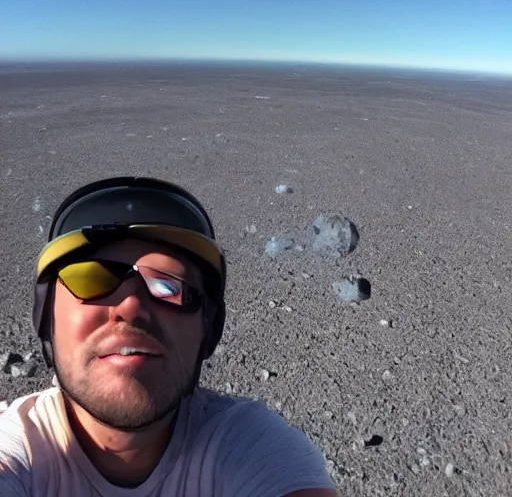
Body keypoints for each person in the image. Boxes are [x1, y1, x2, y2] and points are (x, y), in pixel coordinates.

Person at [0, 177, 337, 496]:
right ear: (47, 320)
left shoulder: (251, 445)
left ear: (208, 331)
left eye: (168, 287)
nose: (130, 306)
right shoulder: (14, 447)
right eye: (90, 279)